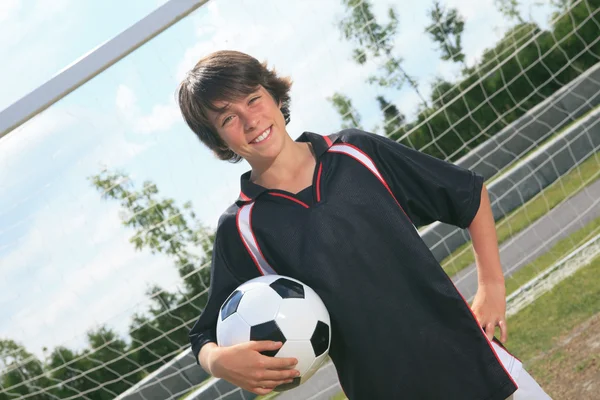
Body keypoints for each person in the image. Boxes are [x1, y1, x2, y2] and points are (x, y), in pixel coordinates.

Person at [176, 50, 551, 399]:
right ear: (217, 139)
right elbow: (204, 335)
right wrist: (218, 361)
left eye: (253, 98)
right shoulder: (242, 228)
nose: (250, 120)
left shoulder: (356, 152)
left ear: (273, 95)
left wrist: (491, 285)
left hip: (475, 366)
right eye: (227, 118)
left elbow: (467, 195)